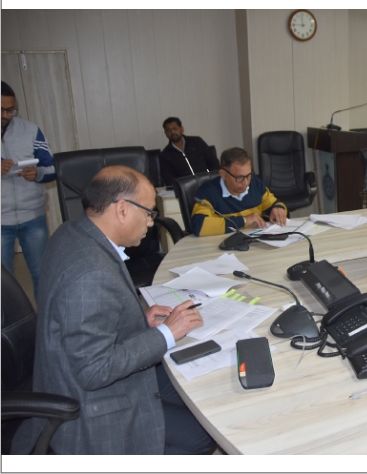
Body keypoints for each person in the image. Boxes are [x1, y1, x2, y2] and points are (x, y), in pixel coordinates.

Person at [12, 166, 214, 455]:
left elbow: (83, 319)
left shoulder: (72, 232)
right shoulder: (91, 273)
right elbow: (94, 371)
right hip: (90, 406)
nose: (150, 223)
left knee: (197, 393)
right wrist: (167, 334)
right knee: (199, 435)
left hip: (67, 371)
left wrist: (137, 320)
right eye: (148, 212)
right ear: (122, 210)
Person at [1, 81, 56, 297]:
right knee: (3, 281)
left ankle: (45, 317)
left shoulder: (31, 130)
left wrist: (38, 173)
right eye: (1, 110)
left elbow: (53, 167)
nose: (5, 115)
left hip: (33, 217)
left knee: (42, 274)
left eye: (10, 110)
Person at [191, 147, 287, 236]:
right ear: (223, 174)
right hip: (223, 243)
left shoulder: (255, 184)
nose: (246, 182)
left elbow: (275, 204)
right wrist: (244, 221)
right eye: (239, 177)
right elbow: (198, 226)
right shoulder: (208, 192)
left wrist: (279, 209)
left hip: (255, 239)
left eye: (249, 175)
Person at [160, 117, 220, 187]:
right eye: (169, 130)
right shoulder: (165, 155)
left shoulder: (197, 142)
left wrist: (213, 180)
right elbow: (169, 179)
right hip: (186, 188)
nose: (172, 132)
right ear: (165, 133)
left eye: (175, 128)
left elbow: (213, 162)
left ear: (182, 129)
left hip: (208, 183)